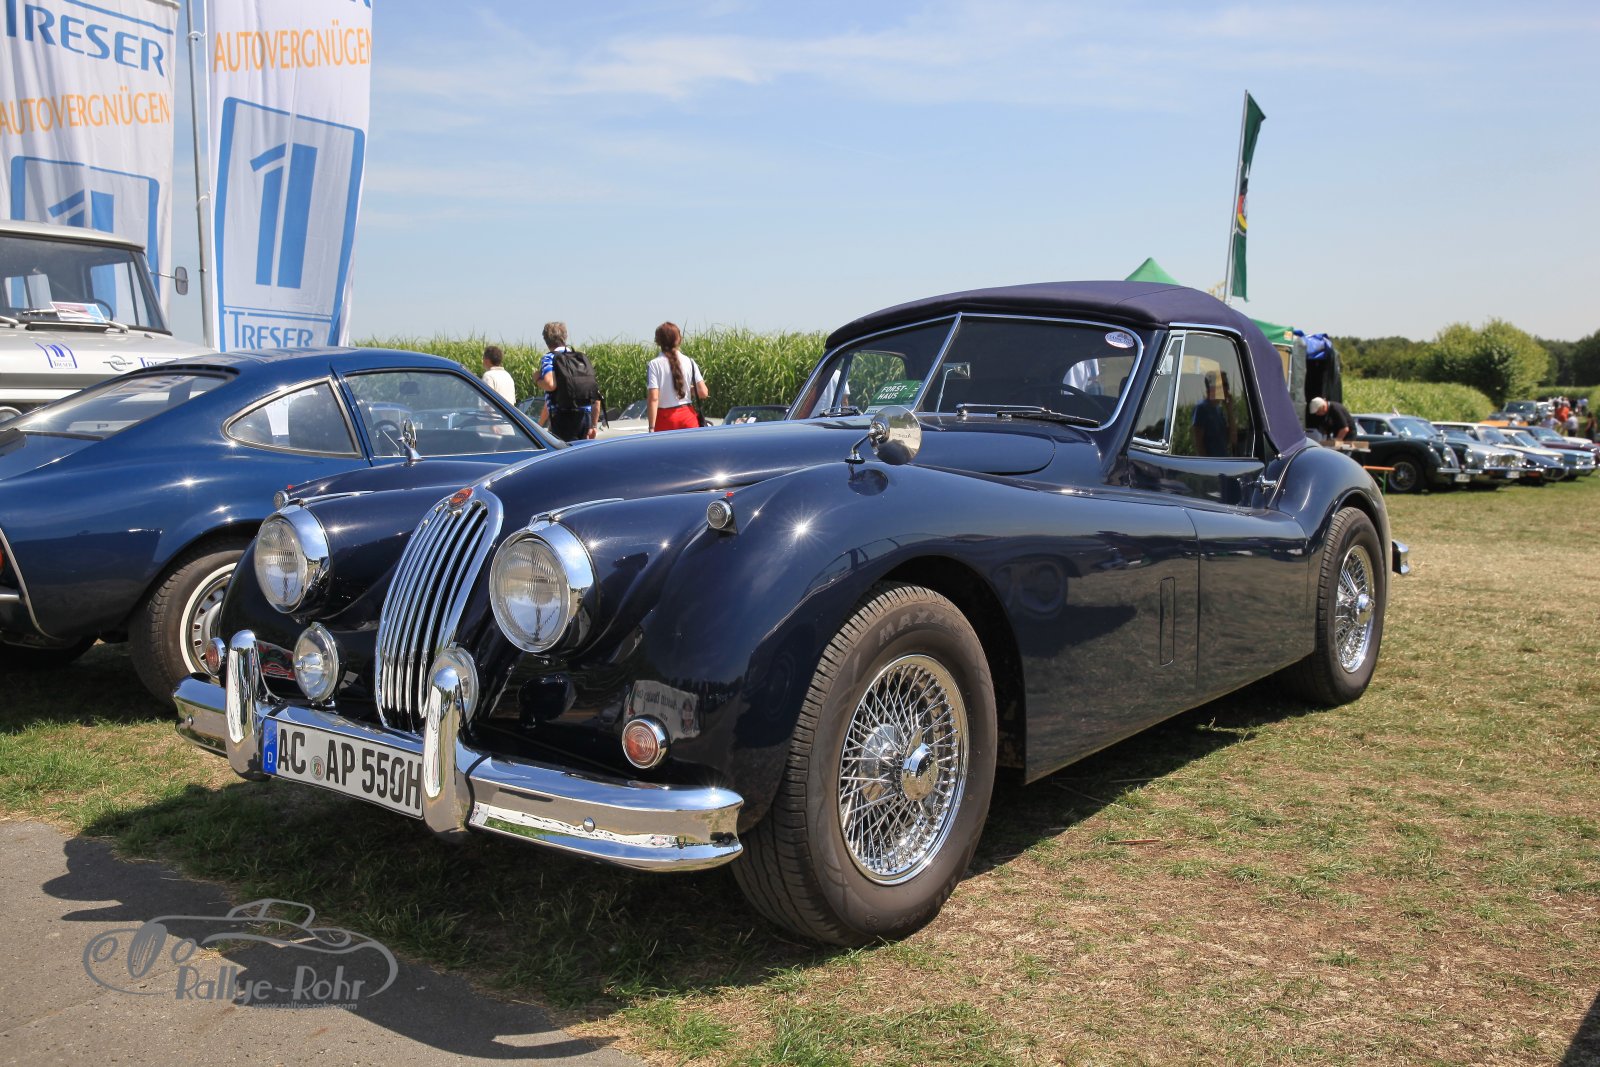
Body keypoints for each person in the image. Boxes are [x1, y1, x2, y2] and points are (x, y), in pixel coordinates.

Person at [539, 321, 598, 442]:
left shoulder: (550, 357)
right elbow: (595, 394)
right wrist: (593, 425)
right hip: (585, 417)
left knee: (564, 453)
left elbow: (550, 385)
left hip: (563, 418)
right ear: (565, 337)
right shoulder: (580, 358)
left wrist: (537, 379)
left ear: (546, 340)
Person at [647, 322, 707, 432]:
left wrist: (651, 427)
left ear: (658, 341)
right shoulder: (690, 362)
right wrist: (688, 389)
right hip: (688, 418)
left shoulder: (654, 364)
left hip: (665, 420)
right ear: (679, 339)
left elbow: (654, 398)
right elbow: (703, 392)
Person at [1192, 370, 1235, 456]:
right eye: (1225, 385)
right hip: (1212, 463)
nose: (1228, 388)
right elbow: (1199, 445)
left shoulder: (1219, 410)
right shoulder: (1201, 409)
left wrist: (1230, 410)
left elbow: (1233, 440)